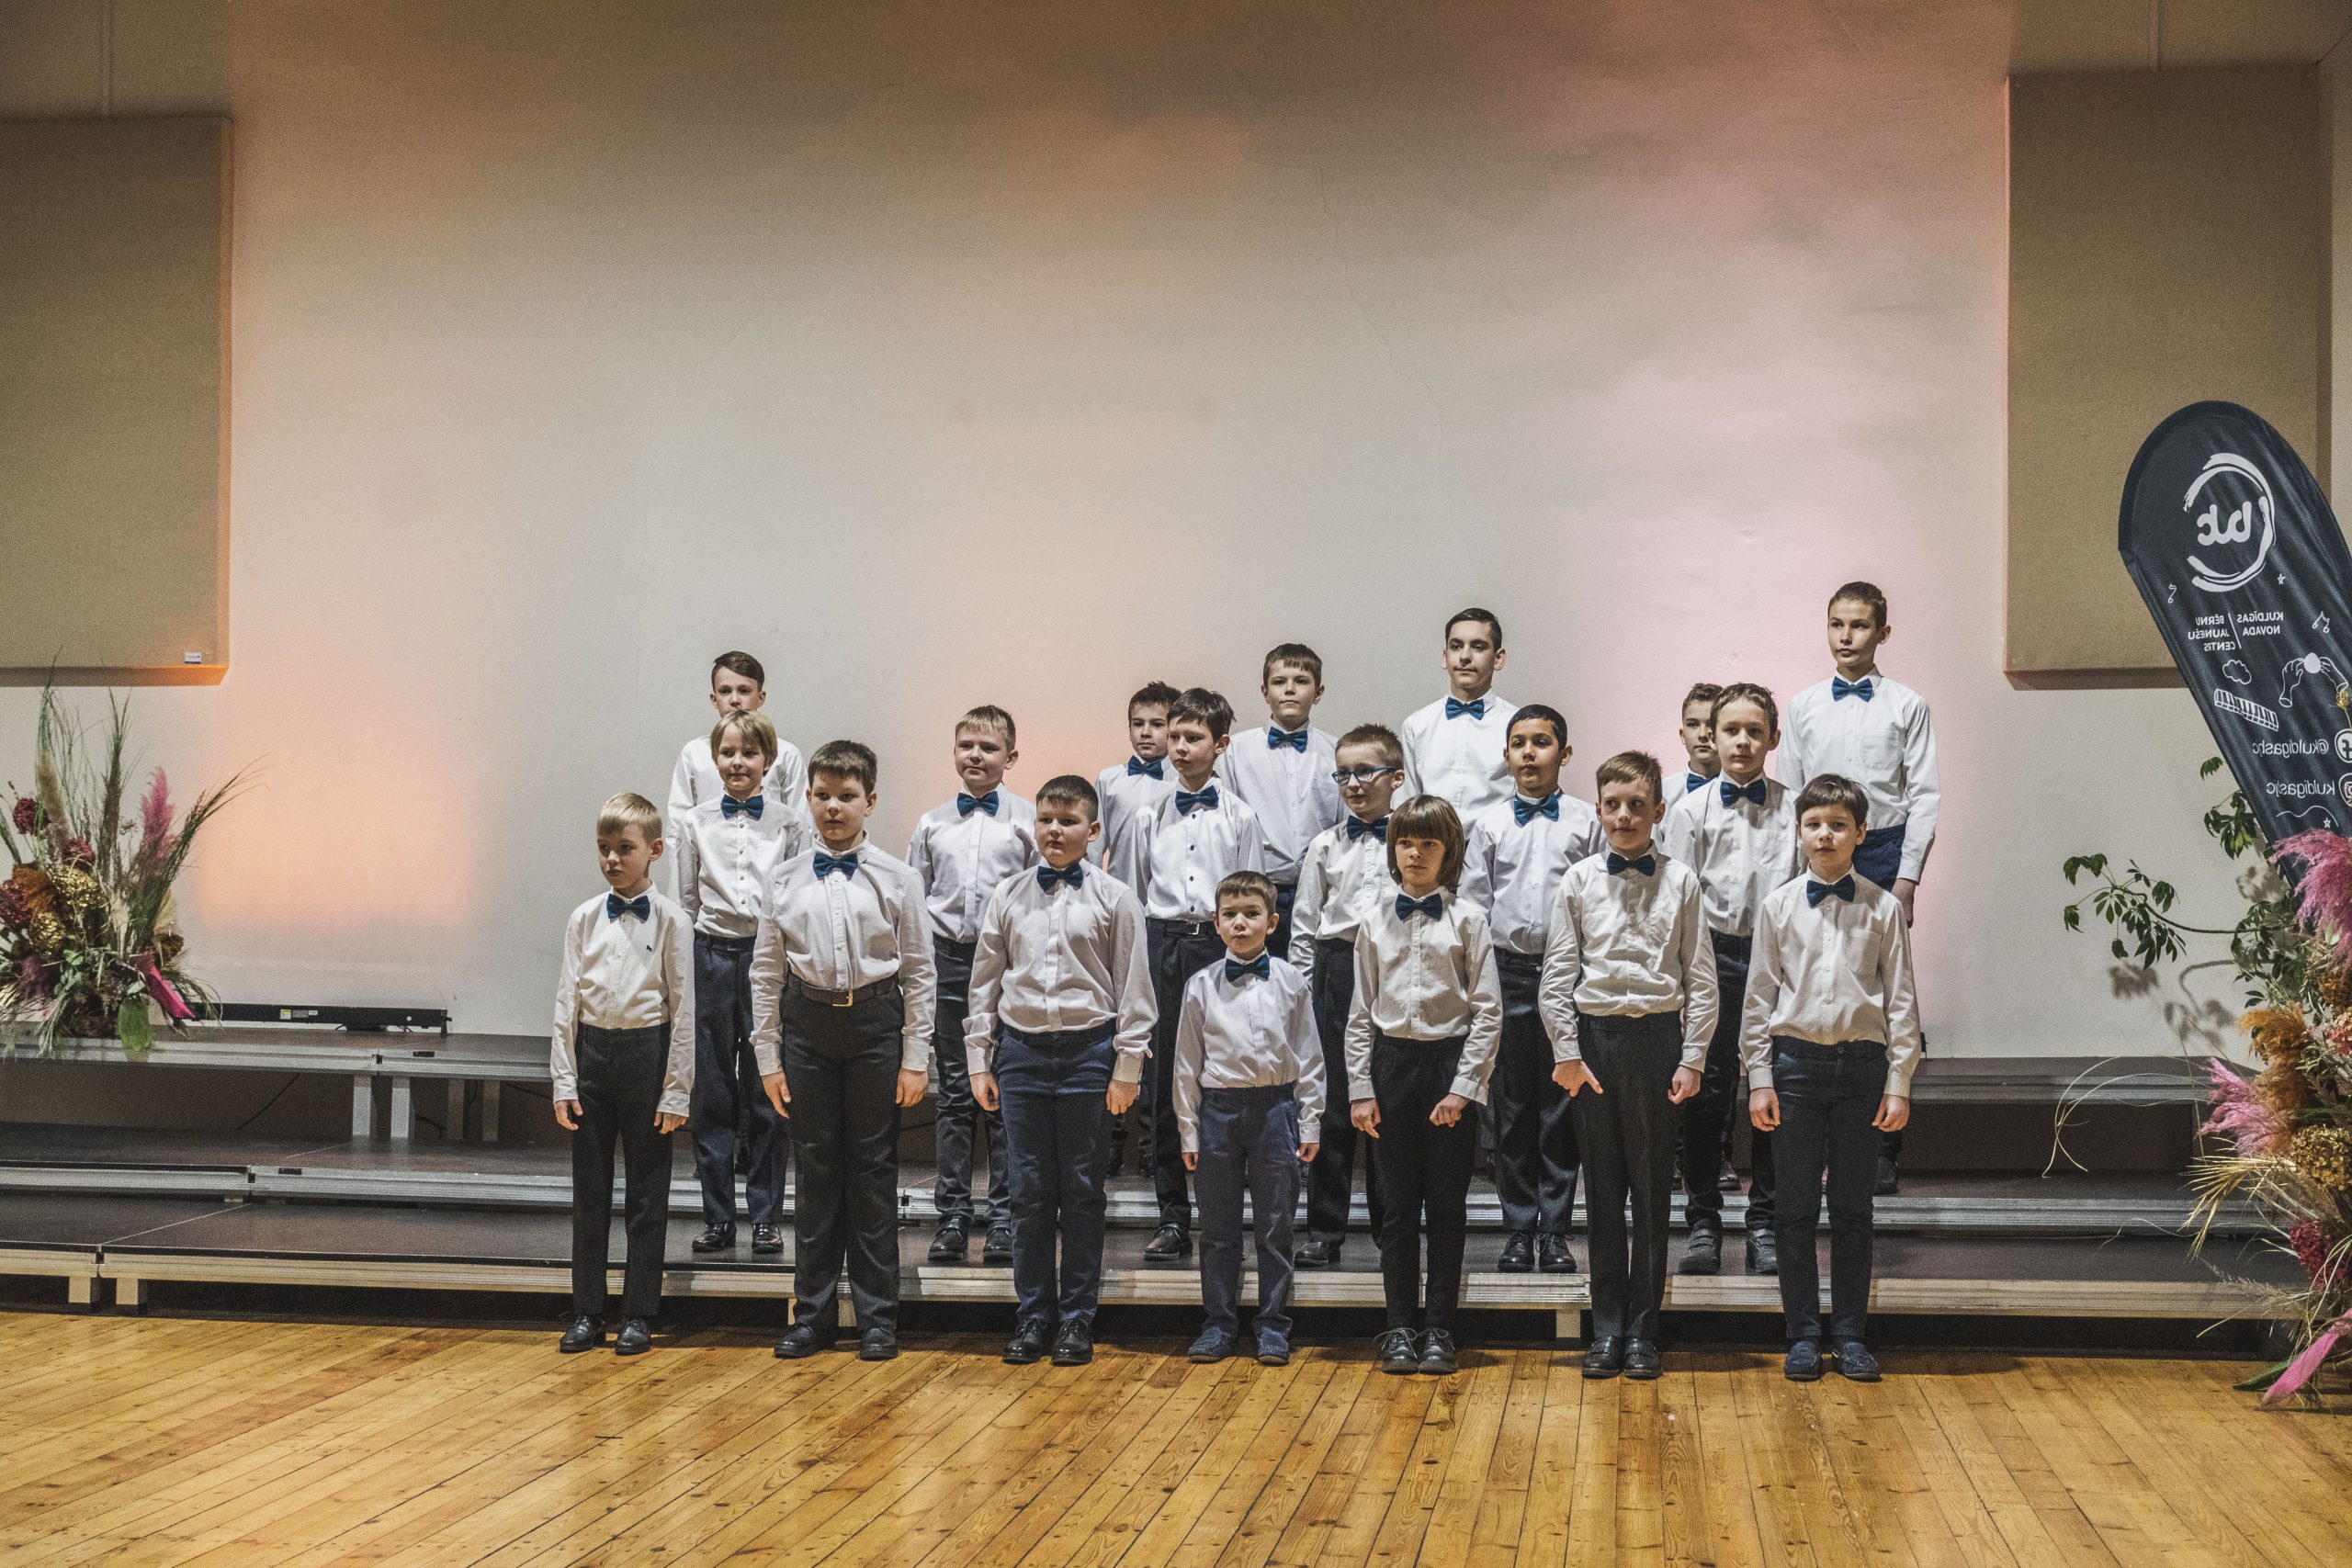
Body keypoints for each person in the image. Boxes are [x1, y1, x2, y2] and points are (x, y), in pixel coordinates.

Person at [752, 740, 936, 1363]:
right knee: (816, 1172)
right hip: (807, 1025)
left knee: (872, 1171)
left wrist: (915, 1056)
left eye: (847, 796)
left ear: (870, 801)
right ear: (808, 798)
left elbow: (920, 971)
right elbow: (765, 973)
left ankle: (878, 1318)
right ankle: (812, 1316)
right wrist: (768, 1057)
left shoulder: (898, 877)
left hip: (876, 1024)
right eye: (823, 795)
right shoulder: (783, 878)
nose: (834, 807)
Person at [966, 774, 1154, 1369]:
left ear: (1092, 830)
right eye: (1045, 819)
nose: (1054, 829)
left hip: (1088, 1053)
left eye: (1068, 821)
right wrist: (979, 1059)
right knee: (1026, 1193)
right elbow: (983, 984)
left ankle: (1076, 1317)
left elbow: (1134, 988)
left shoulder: (1117, 897)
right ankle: (1032, 1315)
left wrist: (1127, 1067)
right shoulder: (1008, 894)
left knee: (1081, 1191)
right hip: (1020, 1053)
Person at [1541, 751, 1713, 1382]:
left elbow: (1701, 977)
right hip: (1595, 1043)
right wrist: (1566, 1052)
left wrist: (1693, 1057)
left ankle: (1644, 1330)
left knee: (1651, 1192)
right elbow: (1558, 973)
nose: (1624, 815)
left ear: (1658, 811)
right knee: (1604, 1193)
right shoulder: (1579, 880)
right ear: (1598, 809)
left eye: (1636, 805)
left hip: (1658, 1041)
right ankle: (1606, 1327)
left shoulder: (1683, 880)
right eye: (1612, 805)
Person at [1744, 773, 1922, 1383]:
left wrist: (1899, 1082)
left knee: (1852, 1209)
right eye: (1814, 824)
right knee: (1792, 1209)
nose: (1825, 834)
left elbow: (1901, 1001)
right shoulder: (1777, 906)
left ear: (1861, 833)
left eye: (1838, 825)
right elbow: (1759, 997)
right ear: (1798, 832)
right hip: (1794, 1066)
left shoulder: (1884, 908)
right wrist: (1759, 1076)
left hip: (1862, 1070)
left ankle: (1849, 1333)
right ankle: (1800, 1333)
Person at [1781, 581, 1938, 1195]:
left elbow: (1924, 795)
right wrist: (1793, 873)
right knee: (1816, 988)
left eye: (1860, 625)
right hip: (1815, 848)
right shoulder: (1803, 705)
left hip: (1880, 850)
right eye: (1837, 624)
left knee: (1882, 995)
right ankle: (1816, 1144)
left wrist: (1907, 877)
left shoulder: (1908, 704)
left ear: (1883, 633)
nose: (1846, 636)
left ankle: (1879, 1148)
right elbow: (1790, 796)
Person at [1345, 794, 1503, 1377]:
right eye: (1405, 843)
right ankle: (1399, 1326)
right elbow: (1360, 1013)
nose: (1415, 853)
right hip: (1391, 1066)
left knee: (1446, 1206)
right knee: (1395, 1208)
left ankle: (1439, 1327)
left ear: (1448, 852)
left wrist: (1464, 1087)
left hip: (1448, 1066)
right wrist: (1361, 1088)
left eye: (1428, 844)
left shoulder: (1469, 921)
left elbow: (1488, 1010)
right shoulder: (1372, 921)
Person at [1458, 704, 1601, 1275]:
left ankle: (1556, 1232)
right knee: (1512, 1108)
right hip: (1508, 972)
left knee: (1561, 1105)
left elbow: (1600, 900)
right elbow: (1473, 907)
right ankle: (1518, 1229)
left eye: (1541, 742)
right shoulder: (1490, 825)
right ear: (1506, 754)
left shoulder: (1588, 821)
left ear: (1564, 753)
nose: (1528, 752)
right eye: (1518, 743)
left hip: (1568, 975)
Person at [1660, 682, 1797, 1276]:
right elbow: (1676, 903)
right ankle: (1703, 1222)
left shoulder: (1795, 807)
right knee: (1705, 1095)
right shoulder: (1689, 811)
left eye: (1753, 730)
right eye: (1730, 730)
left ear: (1773, 737)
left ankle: (1764, 1222)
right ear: (1711, 737)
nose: (1741, 741)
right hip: (1710, 961)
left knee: (1773, 1095)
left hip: (1779, 964)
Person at [550, 793, 694, 1358]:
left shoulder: (673, 919)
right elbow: (566, 1002)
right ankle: (587, 1310)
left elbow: (683, 1010)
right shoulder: (584, 917)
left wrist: (676, 1088)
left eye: (625, 849)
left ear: (654, 851)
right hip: (592, 1056)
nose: (612, 859)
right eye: (604, 849)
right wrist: (564, 1079)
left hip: (645, 1054)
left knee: (646, 1194)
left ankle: (638, 1312)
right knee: (589, 1194)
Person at [1136, 687, 1267, 1263]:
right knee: (1167, 1078)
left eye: (1194, 737)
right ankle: (1171, 1215)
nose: (1180, 747)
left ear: (1221, 744)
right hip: (1163, 943)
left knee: (1223, 1078)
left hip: (1220, 946)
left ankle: (1224, 1211)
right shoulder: (1149, 813)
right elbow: (1136, 891)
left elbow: (1252, 897)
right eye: (1175, 736)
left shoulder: (1241, 816)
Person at [1175, 871, 1324, 1366]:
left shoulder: (1291, 981)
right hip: (1217, 1112)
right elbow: (1185, 1064)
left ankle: (1274, 1325)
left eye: (1251, 914)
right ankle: (1218, 1324)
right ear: (1216, 924)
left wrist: (1310, 1121)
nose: (1240, 923)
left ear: (1272, 922)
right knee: (1217, 1229)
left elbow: (1310, 1056)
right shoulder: (1200, 986)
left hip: (1276, 1110)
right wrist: (1188, 1129)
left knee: (1275, 1226)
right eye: (1230, 915)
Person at [907, 705, 1037, 1267]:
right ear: (954, 752)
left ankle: (1006, 1218)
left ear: (1011, 756)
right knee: (956, 1093)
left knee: (1003, 1091)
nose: (976, 756)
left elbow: (1040, 897)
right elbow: (915, 901)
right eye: (967, 746)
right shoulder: (932, 823)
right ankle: (954, 1217)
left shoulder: (1028, 821)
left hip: (1008, 966)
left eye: (988, 747)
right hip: (949, 962)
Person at [675, 711, 808, 1258]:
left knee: (766, 1091)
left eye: (749, 753)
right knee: (712, 1093)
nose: (737, 762)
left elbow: (797, 898)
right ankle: (717, 1218)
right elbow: (686, 901)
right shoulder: (695, 822)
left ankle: (766, 1219)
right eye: (728, 753)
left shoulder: (789, 823)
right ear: (715, 759)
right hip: (711, 956)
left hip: (766, 959)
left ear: (768, 761)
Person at [1290, 723, 1404, 1269]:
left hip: (1396, 970)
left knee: (1388, 1101)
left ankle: (1391, 1231)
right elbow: (1304, 928)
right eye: (1343, 775)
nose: (1353, 784)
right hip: (1337, 969)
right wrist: (1299, 1001)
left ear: (1396, 778)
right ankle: (1325, 1230)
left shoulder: (1413, 842)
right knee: (1333, 1102)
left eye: (1365, 772)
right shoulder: (1324, 845)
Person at [1097, 680, 1180, 1177]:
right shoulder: (1110, 780)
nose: (1147, 733)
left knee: (1159, 1030)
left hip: (1165, 919)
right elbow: (1095, 847)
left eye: (1158, 724)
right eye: (1138, 724)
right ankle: (1111, 1137)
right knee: (1116, 1025)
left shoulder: (1185, 784)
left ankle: (1153, 1139)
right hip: (1118, 916)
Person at [1216, 644, 1343, 960]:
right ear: (1264, 691)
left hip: (1321, 892)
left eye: (1301, 681)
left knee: (1315, 979)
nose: (1289, 689)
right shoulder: (1235, 752)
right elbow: (1225, 826)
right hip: (1258, 893)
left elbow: (1344, 825)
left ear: (1318, 692)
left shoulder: (1337, 752)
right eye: (1279, 681)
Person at [666, 651, 808, 864]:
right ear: (714, 699)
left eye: (744, 691)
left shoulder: (787, 755)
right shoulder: (693, 753)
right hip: (711, 873)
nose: (734, 700)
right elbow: (677, 830)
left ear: (761, 697)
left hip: (770, 872)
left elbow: (802, 825)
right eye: (725, 691)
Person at [1399, 608, 1519, 820]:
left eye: (1478, 647)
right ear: (1445, 657)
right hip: (1429, 840)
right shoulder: (1416, 725)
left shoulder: (1517, 724)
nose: (1464, 657)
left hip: (1496, 842)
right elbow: (1406, 802)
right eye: (1456, 646)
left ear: (1498, 658)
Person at [1670, 682, 1724, 799]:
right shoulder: (1661, 793)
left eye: (1712, 724)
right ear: (1682, 735)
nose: (1703, 734)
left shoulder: (1747, 793)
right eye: (1693, 724)